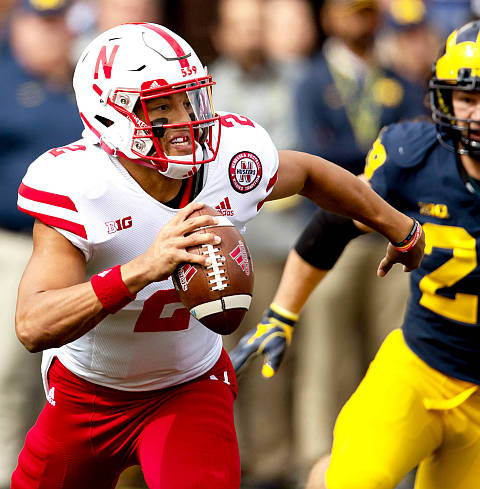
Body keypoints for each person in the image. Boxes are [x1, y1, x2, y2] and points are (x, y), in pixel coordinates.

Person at [11, 22, 423, 489]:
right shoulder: (81, 185)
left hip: (187, 386)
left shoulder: (230, 157)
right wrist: (142, 269)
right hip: (88, 393)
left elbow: (310, 173)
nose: (186, 119)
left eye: (189, 99)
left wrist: (400, 228)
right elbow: (33, 325)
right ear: (110, 115)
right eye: (162, 106)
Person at [231, 19, 480, 489]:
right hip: (420, 367)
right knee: (347, 480)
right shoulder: (415, 156)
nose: (478, 114)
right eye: (468, 97)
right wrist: (283, 312)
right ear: (445, 98)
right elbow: (333, 225)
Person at [0, 1, 84, 487]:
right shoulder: (3, 82)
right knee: (9, 376)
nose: (52, 33)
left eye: (58, 22)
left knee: (79, 377)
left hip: (87, 251)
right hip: (14, 247)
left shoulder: (86, 82)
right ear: (18, 26)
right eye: (41, 23)